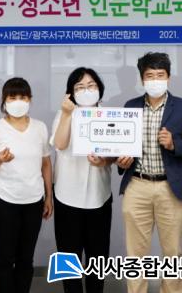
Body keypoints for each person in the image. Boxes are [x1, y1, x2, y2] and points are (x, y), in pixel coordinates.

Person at [116, 52, 182, 293]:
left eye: (160, 75)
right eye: (150, 75)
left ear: (169, 77)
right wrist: (121, 162)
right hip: (137, 184)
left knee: (173, 252)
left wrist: (174, 144)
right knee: (135, 253)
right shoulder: (131, 106)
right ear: (142, 79)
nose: (155, 80)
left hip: (171, 187)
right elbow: (122, 148)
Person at [0, 77, 53, 293]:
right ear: (4, 100)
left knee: (26, 257)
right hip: (4, 200)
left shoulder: (40, 127)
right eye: (13, 97)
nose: (18, 101)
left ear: (30, 99)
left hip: (33, 200)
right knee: (5, 256)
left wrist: (49, 196)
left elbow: (46, 163)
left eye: (23, 97)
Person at [51, 67, 114, 293]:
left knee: (98, 258)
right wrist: (67, 114)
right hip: (67, 197)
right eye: (79, 87)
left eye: (91, 85)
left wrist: (104, 161)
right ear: (71, 93)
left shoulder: (108, 115)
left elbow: (115, 155)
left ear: (99, 89)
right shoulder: (63, 114)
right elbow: (59, 144)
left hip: (99, 196)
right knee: (69, 260)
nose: (86, 90)